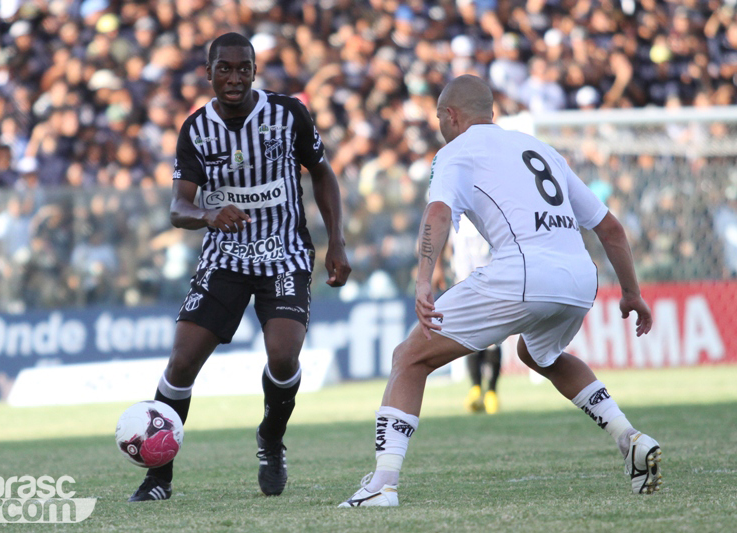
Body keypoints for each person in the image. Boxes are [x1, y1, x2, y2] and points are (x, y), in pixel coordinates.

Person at [339, 75, 661, 508]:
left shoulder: (456, 151)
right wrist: (631, 292)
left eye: (438, 117)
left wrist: (422, 279)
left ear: (451, 115)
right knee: (539, 355)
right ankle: (629, 438)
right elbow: (610, 228)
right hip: (581, 277)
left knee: (409, 358)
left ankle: (382, 484)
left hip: (524, 273)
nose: (439, 126)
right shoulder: (541, 149)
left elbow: (437, 212)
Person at [129, 33, 351, 502]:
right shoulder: (195, 129)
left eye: (243, 68)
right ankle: (158, 478)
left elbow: (323, 173)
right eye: (224, 68)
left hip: (285, 253)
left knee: (284, 356)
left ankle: (270, 440)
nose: (235, 77)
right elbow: (177, 207)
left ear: (254, 70)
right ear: (207, 73)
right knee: (182, 362)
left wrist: (337, 241)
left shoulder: (288, 113)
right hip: (226, 258)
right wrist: (209, 215)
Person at [451, 216, 502, 414]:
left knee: (493, 336)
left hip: (491, 279)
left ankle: (491, 391)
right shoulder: (457, 219)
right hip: (465, 280)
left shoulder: (488, 213)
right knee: (471, 333)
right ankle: (476, 388)